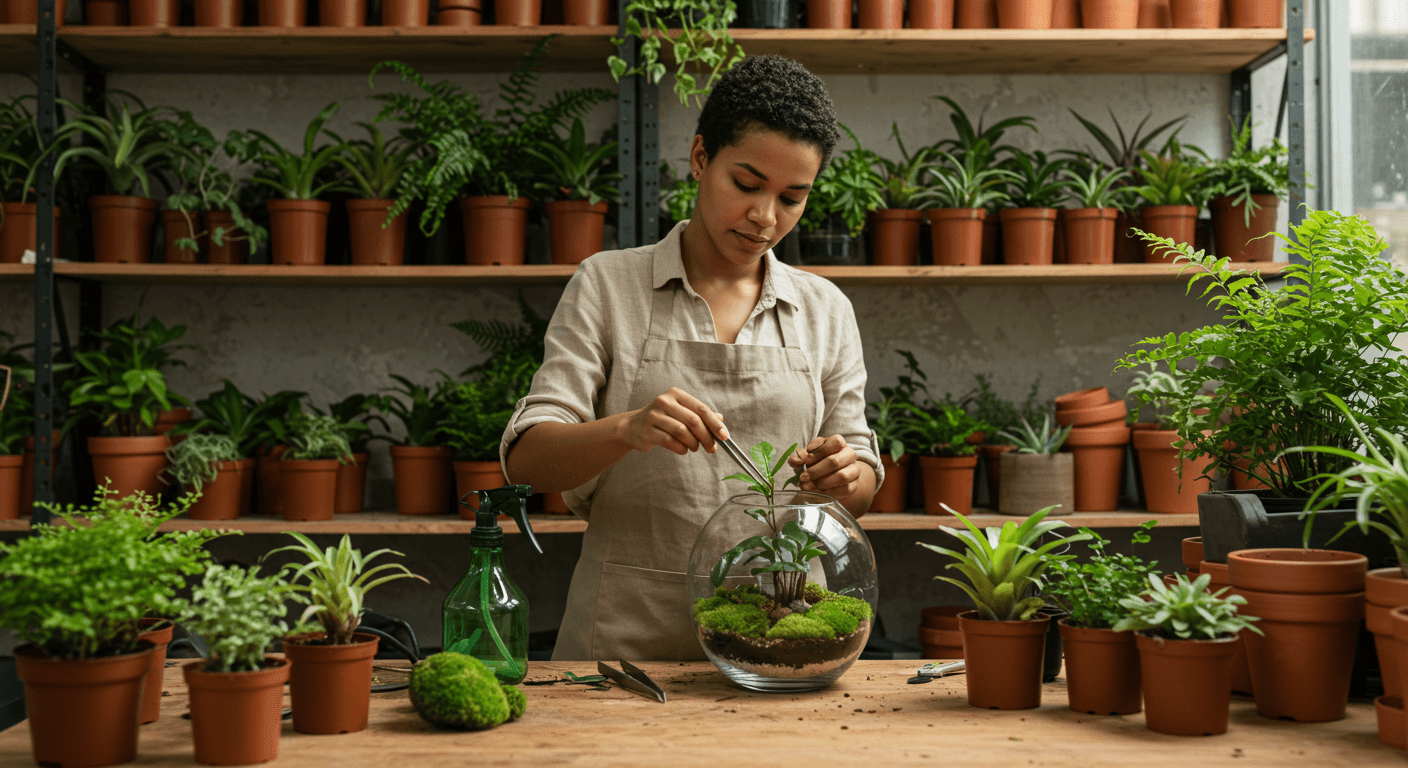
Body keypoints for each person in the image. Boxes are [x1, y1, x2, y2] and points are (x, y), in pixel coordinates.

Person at [500, 55, 882, 661]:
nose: (765, 217)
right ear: (701, 158)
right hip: (623, 641)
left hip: (783, 636)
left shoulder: (824, 309)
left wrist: (844, 475)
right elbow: (526, 462)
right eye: (747, 185)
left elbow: (855, 488)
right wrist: (628, 428)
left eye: (792, 197)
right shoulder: (607, 285)